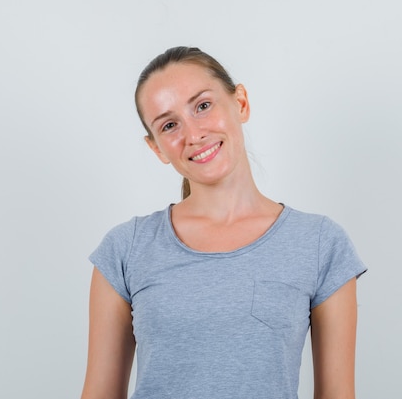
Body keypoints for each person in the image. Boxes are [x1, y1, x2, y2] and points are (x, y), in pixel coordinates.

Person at [81, 46, 367, 399]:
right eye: (169, 125)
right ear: (156, 148)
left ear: (241, 103)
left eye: (202, 106)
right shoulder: (125, 249)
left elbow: (338, 394)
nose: (194, 134)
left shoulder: (321, 243)